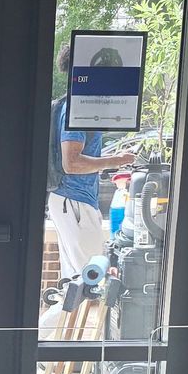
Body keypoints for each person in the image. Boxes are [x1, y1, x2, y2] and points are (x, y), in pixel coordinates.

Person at [46, 42, 131, 282]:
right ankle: (46, 322)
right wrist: (117, 160)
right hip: (75, 201)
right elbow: (71, 163)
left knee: (76, 283)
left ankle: (51, 322)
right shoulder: (78, 107)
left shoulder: (74, 103)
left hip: (70, 201)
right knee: (90, 281)